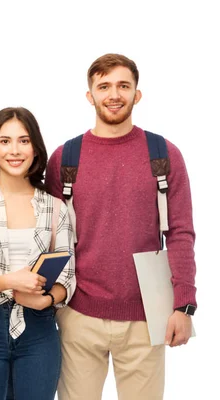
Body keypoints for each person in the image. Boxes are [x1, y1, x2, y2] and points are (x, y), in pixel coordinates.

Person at [45, 53, 197, 400]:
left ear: (136, 94)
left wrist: (184, 305)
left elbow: (181, 234)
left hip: (147, 313)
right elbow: (52, 238)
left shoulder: (164, 154)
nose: (114, 94)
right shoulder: (65, 158)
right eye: (104, 86)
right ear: (90, 96)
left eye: (123, 86)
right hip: (77, 313)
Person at [0, 107, 76, 400]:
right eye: (5, 141)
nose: (15, 150)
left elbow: (67, 279)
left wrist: (45, 299)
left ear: (35, 148)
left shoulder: (55, 208)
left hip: (40, 329)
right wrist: (12, 281)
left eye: (24, 140)